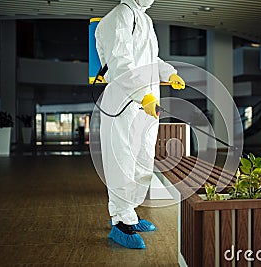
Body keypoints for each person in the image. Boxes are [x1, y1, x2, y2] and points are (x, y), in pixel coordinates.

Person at [95, 0, 185, 249]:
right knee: (121, 159)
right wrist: (142, 95)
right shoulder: (120, 16)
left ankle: (130, 214)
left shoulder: (144, 19)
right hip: (124, 101)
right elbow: (121, 63)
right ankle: (120, 222)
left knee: (142, 157)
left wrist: (169, 73)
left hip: (146, 102)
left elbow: (151, 59)